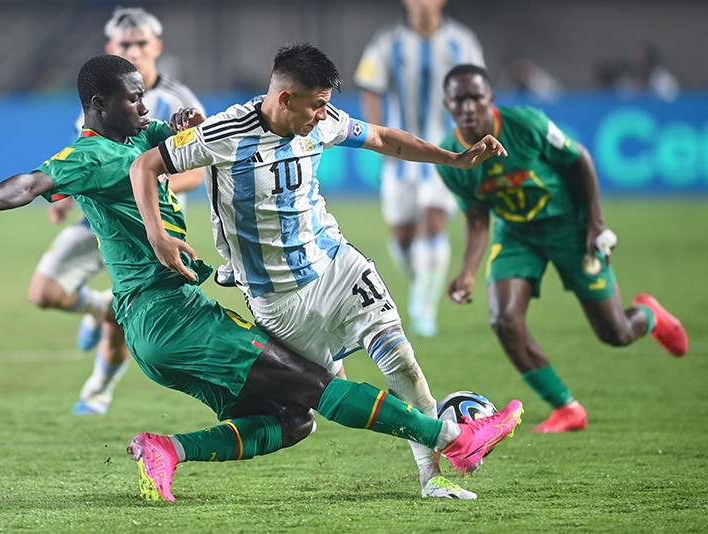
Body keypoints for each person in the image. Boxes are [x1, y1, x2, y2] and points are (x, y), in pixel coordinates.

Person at [0, 54, 523, 502]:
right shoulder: (90, 154)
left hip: (169, 321)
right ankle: (450, 438)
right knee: (311, 383)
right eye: (134, 99)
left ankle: (168, 450)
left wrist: (186, 118)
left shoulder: (138, 133)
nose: (144, 107)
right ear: (98, 107)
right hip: (171, 317)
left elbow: (186, 136)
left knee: (291, 420)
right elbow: (30, 183)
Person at [130, 42, 509, 499]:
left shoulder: (322, 120)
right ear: (285, 99)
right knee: (321, 401)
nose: (323, 116)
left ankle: (434, 478)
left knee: (401, 360)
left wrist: (453, 159)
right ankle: (451, 440)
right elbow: (144, 165)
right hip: (278, 298)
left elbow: (384, 138)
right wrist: (157, 235)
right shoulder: (223, 132)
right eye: (316, 105)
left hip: (335, 264)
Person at [436, 64, 688, 433]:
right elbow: (476, 216)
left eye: (476, 96)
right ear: (447, 103)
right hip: (516, 234)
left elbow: (579, 159)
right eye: (459, 99)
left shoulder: (527, 125)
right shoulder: (449, 157)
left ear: (491, 98)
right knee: (503, 320)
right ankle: (567, 408)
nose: (468, 106)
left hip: (568, 227)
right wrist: (468, 272)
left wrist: (594, 224)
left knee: (614, 333)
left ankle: (649, 316)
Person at [27, 7, 205, 415]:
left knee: (126, 323)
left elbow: (194, 174)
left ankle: (97, 393)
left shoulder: (178, 101)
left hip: (148, 230)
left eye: (142, 43)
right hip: (97, 222)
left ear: (156, 46)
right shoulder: (98, 102)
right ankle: (104, 308)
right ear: (112, 48)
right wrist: (66, 201)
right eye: (126, 44)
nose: (135, 50)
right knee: (43, 293)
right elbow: (89, 162)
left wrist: (141, 188)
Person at [353, 0, 485, 337]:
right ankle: (421, 284)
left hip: (447, 151)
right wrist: (378, 137)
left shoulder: (462, 41)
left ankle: (423, 310)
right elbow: (369, 87)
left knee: (432, 219)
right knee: (402, 235)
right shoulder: (387, 42)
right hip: (400, 153)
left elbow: (479, 94)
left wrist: (470, 137)